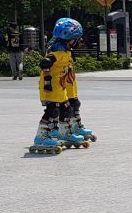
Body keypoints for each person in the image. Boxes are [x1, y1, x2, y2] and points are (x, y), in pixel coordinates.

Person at [30, 18, 90, 153]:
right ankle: (41, 136)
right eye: (77, 38)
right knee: (52, 111)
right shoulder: (56, 54)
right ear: (70, 39)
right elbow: (45, 62)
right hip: (51, 87)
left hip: (60, 87)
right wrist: (46, 72)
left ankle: (64, 133)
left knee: (67, 109)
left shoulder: (65, 52)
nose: (78, 41)